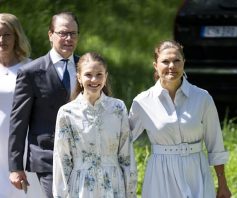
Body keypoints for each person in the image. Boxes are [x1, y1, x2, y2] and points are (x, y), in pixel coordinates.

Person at [129, 40, 231, 198]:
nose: (172, 66)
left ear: (184, 63)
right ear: (155, 65)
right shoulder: (142, 102)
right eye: (165, 61)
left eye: (177, 60)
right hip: (160, 175)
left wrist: (222, 183)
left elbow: (215, 143)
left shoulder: (202, 97)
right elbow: (123, 140)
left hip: (196, 172)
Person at [8, 12, 80, 198]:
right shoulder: (31, 72)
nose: (68, 38)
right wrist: (15, 167)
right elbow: (19, 122)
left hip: (83, 156)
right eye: (63, 33)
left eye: (73, 33)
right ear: (50, 35)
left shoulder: (86, 68)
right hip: (47, 157)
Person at [53, 52, 137, 198]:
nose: (94, 79)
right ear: (78, 77)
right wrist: (60, 195)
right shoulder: (67, 113)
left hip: (114, 185)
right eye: (88, 75)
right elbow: (62, 159)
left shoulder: (118, 108)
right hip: (81, 188)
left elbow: (126, 154)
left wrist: (130, 192)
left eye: (99, 74)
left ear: (106, 76)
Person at [0, 13, 45, 198]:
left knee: (25, 192)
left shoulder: (31, 69)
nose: (1, 40)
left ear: (17, 36)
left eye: (7, 34)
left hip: (21, 145)